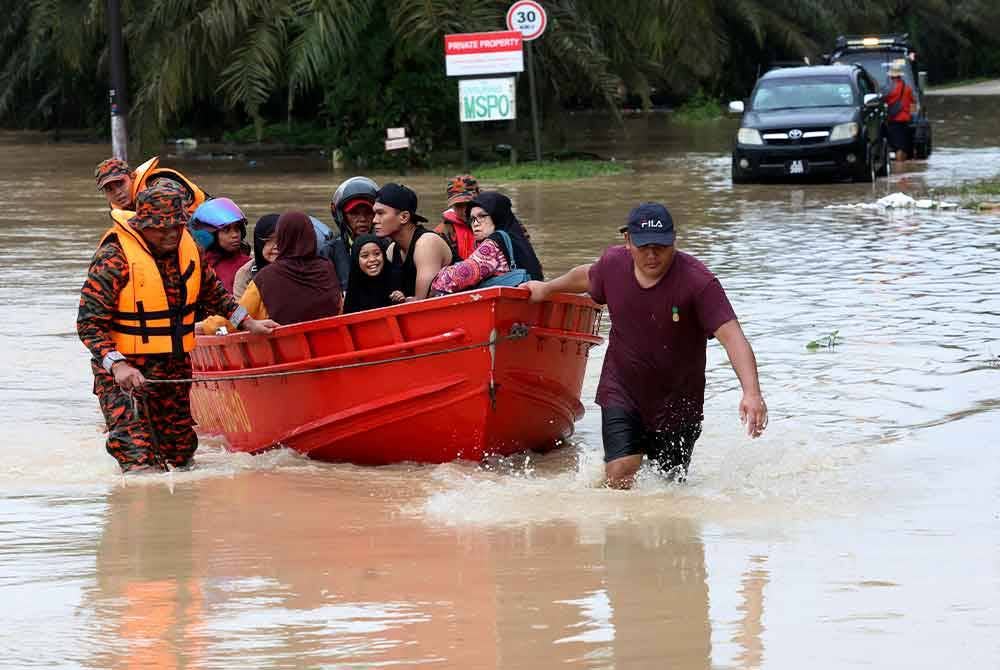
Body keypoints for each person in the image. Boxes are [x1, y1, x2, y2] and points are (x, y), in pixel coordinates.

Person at [522, 202, 767, 489]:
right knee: (620, 470)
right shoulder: (613, 265)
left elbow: (733, 337)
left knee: (668, 487)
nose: (652, 255)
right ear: (627, 241)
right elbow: (586, 276)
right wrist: (547, 287)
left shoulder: (698, 282)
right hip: (622, 389)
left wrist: (752, 392)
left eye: (660, 246)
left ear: (673, 239)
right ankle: (619, 530)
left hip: (679, 402)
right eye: (643, 246)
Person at [77, 184, 277, 473]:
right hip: (125, 374)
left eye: (176, 226)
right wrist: (117, 365)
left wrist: (248, 322)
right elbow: (88, 323)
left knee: (181, 458)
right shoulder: (114, 257)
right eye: (161, 228)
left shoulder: (189, 247)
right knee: (139, 461)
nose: (171, 234)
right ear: (143, 224)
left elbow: (214, 293)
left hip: (173, 370)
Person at [431, 191, 541, 294]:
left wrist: (440, 273)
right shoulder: (518, 238)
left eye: (482, 216)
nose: (475, 223)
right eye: (472, 219)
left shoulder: (493, 244)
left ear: (496, 215)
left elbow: (449, 281)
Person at [374, 183, 453, 300]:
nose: (374, 220)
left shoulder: (427, 244)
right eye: (374, 213)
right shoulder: (392, 251)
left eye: (380, 213)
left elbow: (421, 304)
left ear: (404, 217)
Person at [188, 197, 252, 293]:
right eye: (226, 230)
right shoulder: (197, 267)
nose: (235, 235)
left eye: (237, 229)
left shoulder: (249, 266)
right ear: (209, 235)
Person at [330, 176, 379, 290]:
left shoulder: (388, 246)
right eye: (354, 213)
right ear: (342, 217)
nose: (362, 219)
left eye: (368, 212)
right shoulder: (331, 251)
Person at [342, 234, 404, 313]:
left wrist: (401, 299)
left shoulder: (397, 277)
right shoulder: (354, 287)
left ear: (384, 255)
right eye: (365, 256)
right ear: (356, 260)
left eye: (377, 254)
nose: (372, 259)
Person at [232, 213, 279, 299]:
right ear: (259, 243)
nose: (276, 246)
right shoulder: (245, 275)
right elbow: (241, 310)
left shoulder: (302, 269)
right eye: (269, 240)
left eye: (282, 239)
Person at [435, 175, 480, 260]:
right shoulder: (441, 232)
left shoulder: (492, 224)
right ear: (452, 206)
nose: (464, 211)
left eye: (469, 204)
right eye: (459, 206)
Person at [884, 59, 915, 162]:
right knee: (904, 146)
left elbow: (884, 102)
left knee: (898, 147)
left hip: (894, 121)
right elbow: (913, 104)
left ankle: (899, 169)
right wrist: (911, 116)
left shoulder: (889, 89)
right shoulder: (908, 88)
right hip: (906, 121)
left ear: (891, 76)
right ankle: (904, 169)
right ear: (900, 76)